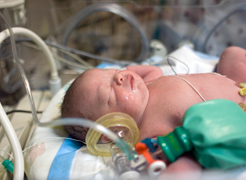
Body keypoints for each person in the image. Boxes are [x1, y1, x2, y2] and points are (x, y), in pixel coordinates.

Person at [60, 46, 246, 179]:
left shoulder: (148, 84)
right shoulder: (147, 134)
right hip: (234, 120)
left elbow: (154, 68)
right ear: (113, 130)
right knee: (186, 163)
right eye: (108, 92)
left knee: (231, 54)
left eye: (112, 72)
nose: (119, 76)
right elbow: (172, 154)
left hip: (238, 83)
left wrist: (129, 70)